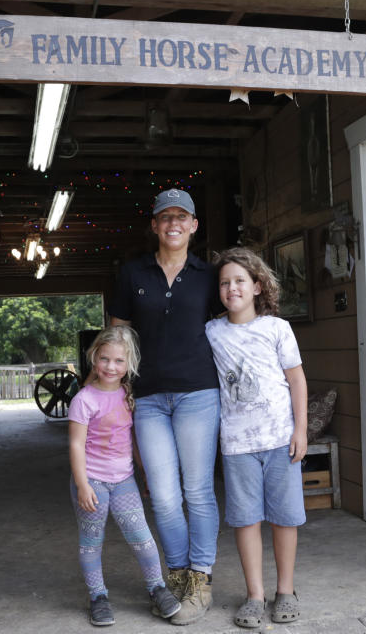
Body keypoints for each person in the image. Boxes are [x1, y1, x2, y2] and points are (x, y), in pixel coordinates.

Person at [108, 188, 221, 625]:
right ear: (154, 225)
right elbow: (119, 336)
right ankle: (177, 576)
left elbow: (229, 330)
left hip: (198, 393)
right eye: (165, 217)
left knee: (197, 490)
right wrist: (107, 391)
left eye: (182, 217)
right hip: (149, 398)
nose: (173, 223)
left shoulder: (209, 276)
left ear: (194, 225)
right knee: (164, 494)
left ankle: (201, 578)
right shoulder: (132, 272)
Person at [204, 247, 308, 628]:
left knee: (284, 518)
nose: (232, 288)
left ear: (257, 286)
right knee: (246, 520)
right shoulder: (213, 332)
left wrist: (300, 430)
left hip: (281, 440)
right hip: (237, 446)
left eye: (239, 281)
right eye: (224, 283)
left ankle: (285, 590)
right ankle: (254, 595)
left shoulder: (277, 328)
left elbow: (296, 380)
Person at [67, 325, 181, 627]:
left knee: (141, 536)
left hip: (123, 480)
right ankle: (97, 596)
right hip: (91, 481)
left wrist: (143, 474)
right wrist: (81, 484)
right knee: (91, 540)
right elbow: (76, 444)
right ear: (94, 357)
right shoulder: (83, 400)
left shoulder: (128, 394)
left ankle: (157, 587)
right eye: (104, 359)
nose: (110, 367)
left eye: (119, 361)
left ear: (128, 364)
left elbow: (132, 440)